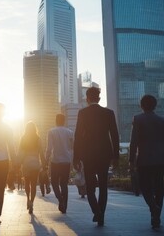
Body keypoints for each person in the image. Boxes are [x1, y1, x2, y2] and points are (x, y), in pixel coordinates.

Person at [73, 87, 119, 226]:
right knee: (103, 186)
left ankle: (96, 212)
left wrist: (76, 157)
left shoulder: (83, 113)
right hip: (105, 154)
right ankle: (101, 215)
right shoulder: (109, 113)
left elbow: (78, 136)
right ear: (99, 98)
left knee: (90, 186)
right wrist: (115, 156)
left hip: (88, 154)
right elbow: (115, 135)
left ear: (87, 99)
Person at [129, 95, 164, 229]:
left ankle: (153, 207)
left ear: (141, 105)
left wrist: (131, 160)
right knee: (159, 187)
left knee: (144, 186)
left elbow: (134, 142)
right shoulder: (162, 120)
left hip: (144, 158)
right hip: (161, 158)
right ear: (155, 105)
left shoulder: (137, 119)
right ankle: (156, 216)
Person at [46, 114, 74, 213]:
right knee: (64, 184)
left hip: (55, 161)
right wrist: (72, 160)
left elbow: (49, 148)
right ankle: (64, 207)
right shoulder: (70, 132)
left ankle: (60, 199)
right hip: (66, 161)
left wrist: (46, 160)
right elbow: (71, 148)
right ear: (64, 121)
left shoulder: (51, 132)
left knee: (54, 182)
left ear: (56, 121)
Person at [19, 121, 45, 214]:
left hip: (26, 163)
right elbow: (41, 153)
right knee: (33, 184)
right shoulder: (38, 139)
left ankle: (27, 199)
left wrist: (18, 163)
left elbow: (20, 152)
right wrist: (44, 163)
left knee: (27, 183)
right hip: (35, 163)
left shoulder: (23, 138)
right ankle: (32, 203)